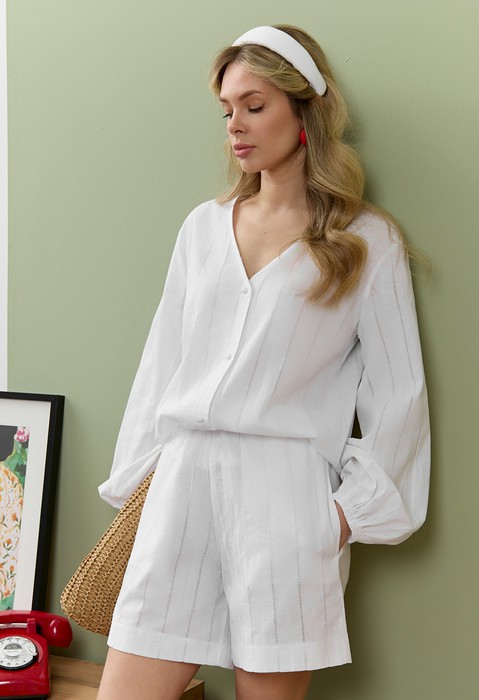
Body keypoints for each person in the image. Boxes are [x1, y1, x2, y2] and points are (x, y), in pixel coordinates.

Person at [95, 24, 430, 700]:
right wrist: (140, 486)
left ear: (303, 110)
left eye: (254, 105)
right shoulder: (202, 228)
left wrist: (336, 519)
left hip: (285, 500)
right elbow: (160, 366)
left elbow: (399, 396)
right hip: (182, 486)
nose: (235, 127)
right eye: (226, 110)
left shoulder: (366, 242)